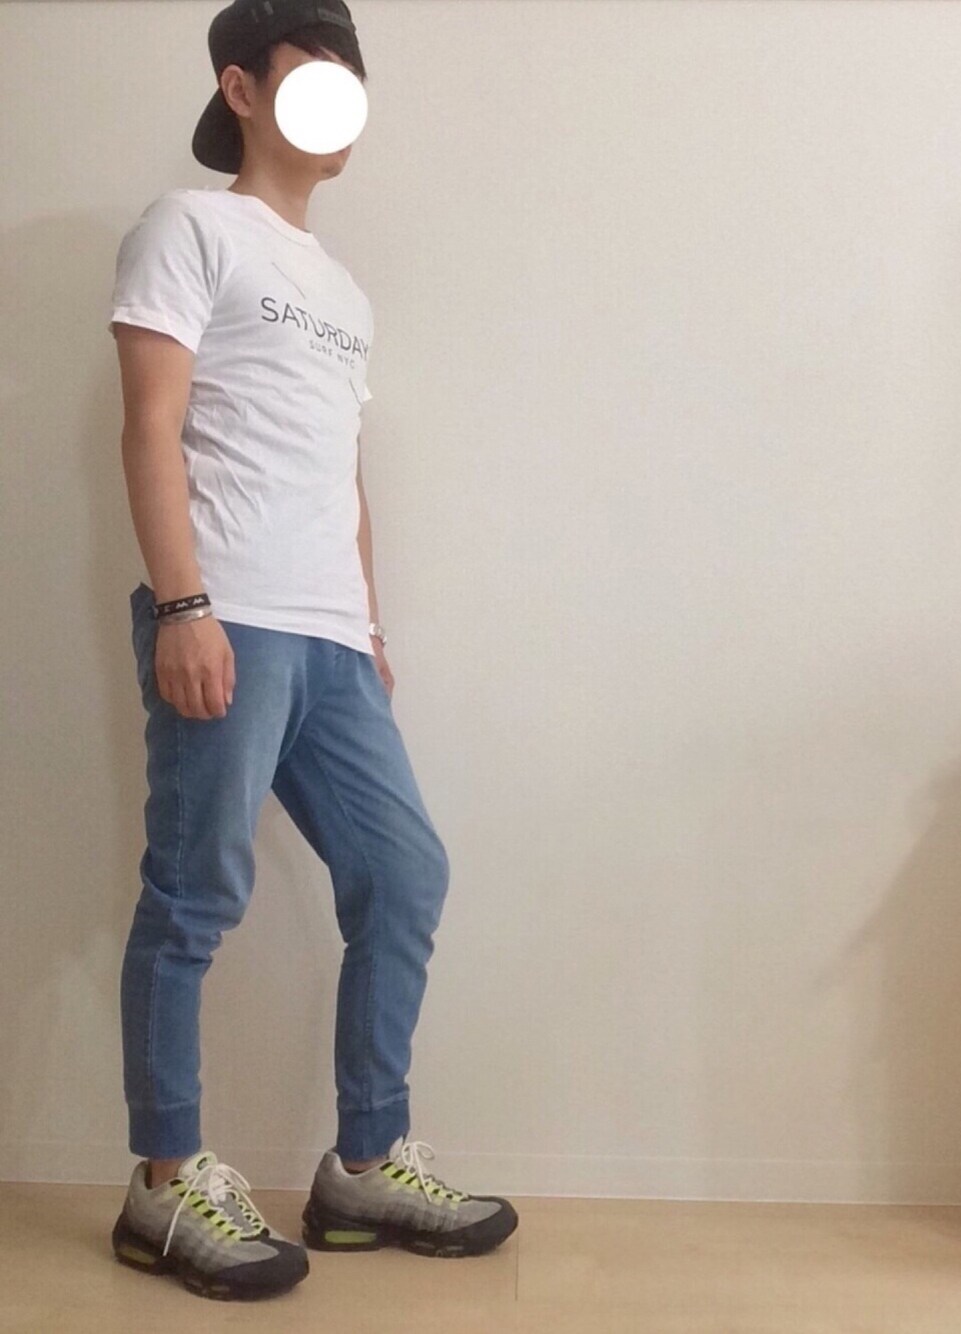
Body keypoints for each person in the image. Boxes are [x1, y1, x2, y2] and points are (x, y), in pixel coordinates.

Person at [107, 0, 517, 1301]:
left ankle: (364, 1165)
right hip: (225, 610)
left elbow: (342, 472)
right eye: (315, 68)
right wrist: (184, 607)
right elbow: (150, 424)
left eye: (354, 75)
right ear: (243, 87)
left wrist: (370, 625)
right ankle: (163, 1183)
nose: (343, 93)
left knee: (405, 872)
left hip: (334, 639)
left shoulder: (343, 290)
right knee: (195, 895)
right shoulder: (187, 226)